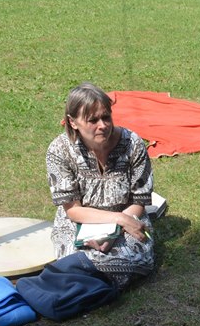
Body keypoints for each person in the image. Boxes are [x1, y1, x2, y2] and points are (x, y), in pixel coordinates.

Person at [45, 83, 154, 291]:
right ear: (72, 122)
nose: (102, 125)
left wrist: (116, 229)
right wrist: (117, 220)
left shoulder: (133, 144)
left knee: (135, 259)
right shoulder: (59, 151)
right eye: (93, 120)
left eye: (106, 117)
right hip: (81, 221)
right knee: (75, 260)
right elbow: (73, 210)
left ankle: (87, 287)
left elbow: (139, 201)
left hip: (129, 215)